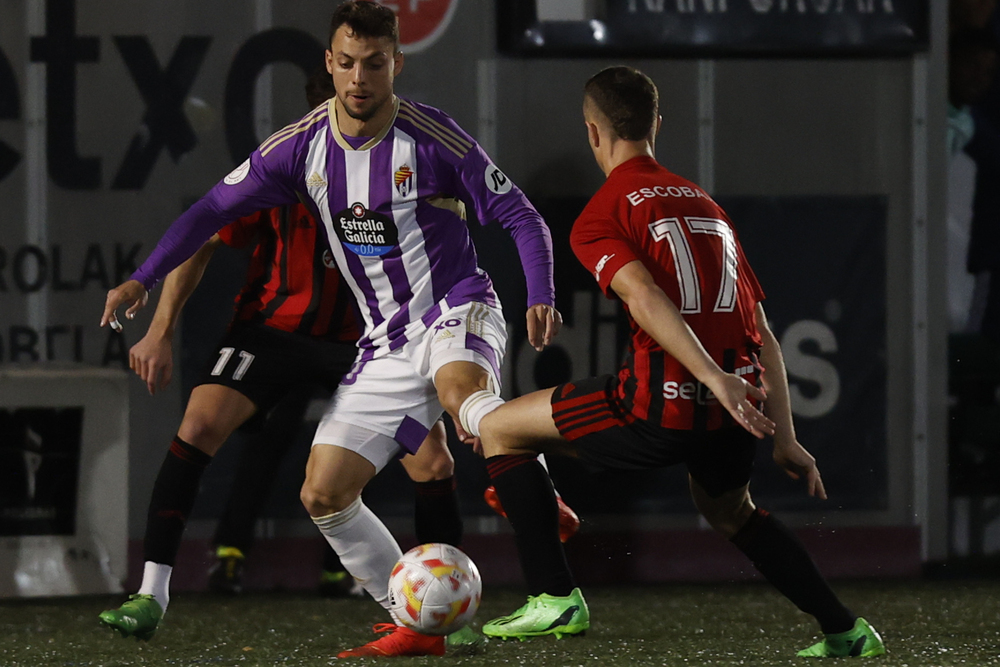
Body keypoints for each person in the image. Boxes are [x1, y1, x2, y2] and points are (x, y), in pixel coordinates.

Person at [100, 1, 562, 658]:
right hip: (384, 344)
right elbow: (208, 212)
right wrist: (143, 280)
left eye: (374, 63)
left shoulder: (433, 138)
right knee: (324, 491)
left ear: (395, 64)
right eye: (346, 63)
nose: (359, 78)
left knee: (462, 400)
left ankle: (537, 473)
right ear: (328, 62)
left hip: (457, 310)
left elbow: (522, 216)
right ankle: (416, 621)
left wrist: (540, 291)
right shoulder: (298, 148)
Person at [473, 66, 887, 659]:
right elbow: (762, 330)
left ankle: (554, 595)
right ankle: (844, 629)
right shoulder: (707, 205)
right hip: (736, 410)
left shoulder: (603, 213)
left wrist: (709, 378)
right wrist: (785, 436)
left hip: (660, 406)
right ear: (657, 126)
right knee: (730, 510)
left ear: (593, 132)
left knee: (498, 429)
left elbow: (643, 296)